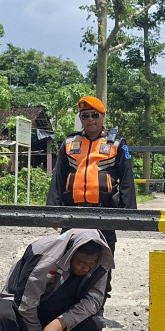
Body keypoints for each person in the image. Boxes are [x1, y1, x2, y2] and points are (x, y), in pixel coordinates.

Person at [47, 95, 136, 252]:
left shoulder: (116, 144)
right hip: (72, 212)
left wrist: (129, 214)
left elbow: (127, 179)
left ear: (103, 116)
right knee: (68, 257)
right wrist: (52, 210)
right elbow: (58, 178)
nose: (90, 119)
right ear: (80, 118)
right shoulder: (69, 143)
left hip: (105, 214)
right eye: (85, 116)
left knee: (103, 259)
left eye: (95, 115)